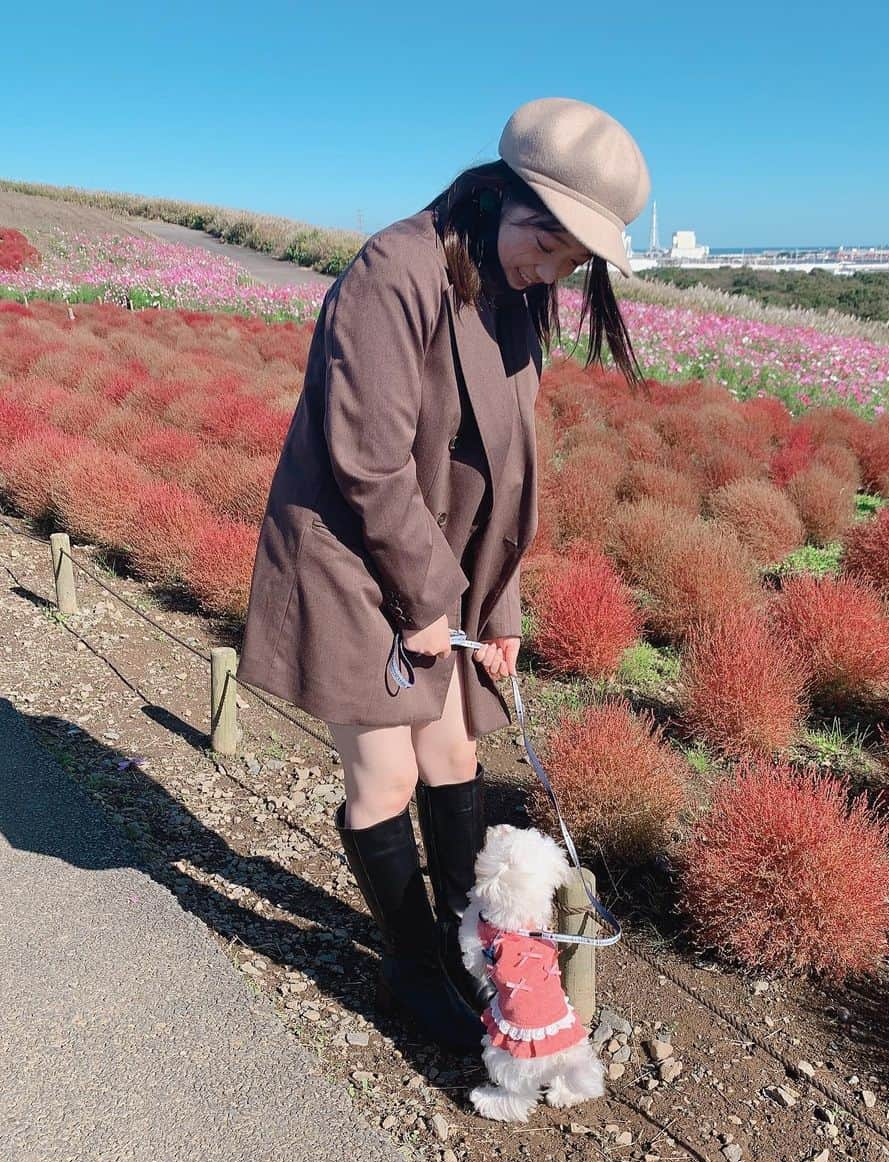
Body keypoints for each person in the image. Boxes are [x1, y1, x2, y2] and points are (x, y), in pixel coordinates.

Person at [236, 96, 651, 1052]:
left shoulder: (514, 290)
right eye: (541, 244)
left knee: (456, 753)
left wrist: (496, 604)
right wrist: (428, 598)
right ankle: (413, 974)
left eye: (567, 262)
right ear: (499, 194)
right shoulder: (397, 268)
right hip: (350, 550)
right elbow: (367, 463)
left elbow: (510, 463)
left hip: (441, 565)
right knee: (382, 773)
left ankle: (478, 953)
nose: (545, 272)